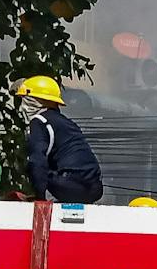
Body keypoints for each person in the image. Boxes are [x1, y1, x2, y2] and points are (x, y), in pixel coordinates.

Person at [15, 75, 104, 204]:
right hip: (94, 188)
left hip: (70, 184)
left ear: (37, 100)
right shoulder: (65, 122)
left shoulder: (40, 121)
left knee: (35, 168)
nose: (22, 106)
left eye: (26, 99)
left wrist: (39, 198)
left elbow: (37, 161)